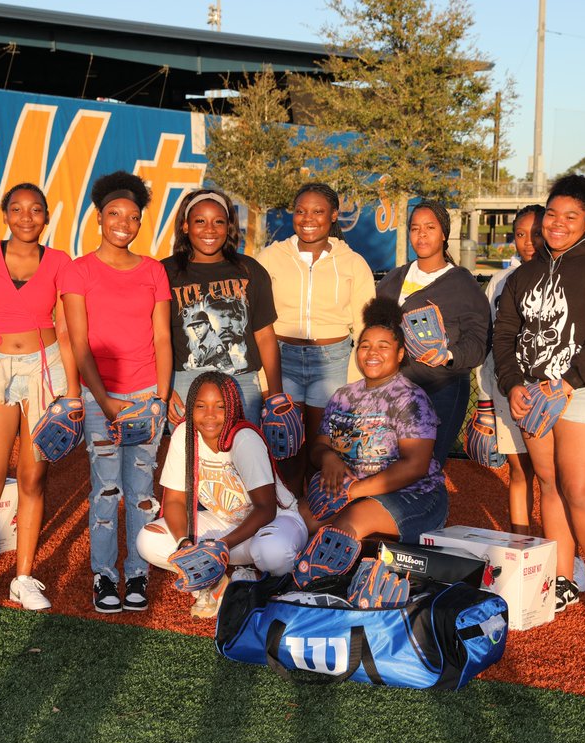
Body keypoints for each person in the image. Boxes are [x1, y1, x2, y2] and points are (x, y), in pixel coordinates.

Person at [493, 175, 585, 621]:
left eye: (570, 216)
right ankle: (562, 577)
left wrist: (570, 381)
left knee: (579, 487)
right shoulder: (527, 272)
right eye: (552, 214)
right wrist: (513, 383)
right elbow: (504, 334)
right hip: (536, 390)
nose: (558, 224)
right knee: (549, 484)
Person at [0, 182, 78, 627]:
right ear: (5, 214)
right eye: (18, 209)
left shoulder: (60, 261)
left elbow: (65, 332)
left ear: (47, 217)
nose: (27, 217)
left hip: (45, 370)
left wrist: (74, 393)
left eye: (37, 210)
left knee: (33, 476)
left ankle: (23, 578)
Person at [62, 171, 172, 614]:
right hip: (99, 397)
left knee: (142, 492)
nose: (123, 223)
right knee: (107, 490)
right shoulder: (78, 270)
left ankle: (138, 572)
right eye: (114, 214)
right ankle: (105, 576)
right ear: (99, 218)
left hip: (147, 394)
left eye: (133, 216)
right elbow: (78, 342)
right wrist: (104, 401)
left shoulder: (153, 270)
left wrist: (161, 400)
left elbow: (162, 339)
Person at [136, 371, 307, 618]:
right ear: (191, 407)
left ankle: (255, 578)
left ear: (233, 408)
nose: (210, 415)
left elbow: (266, 508)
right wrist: (185, 545)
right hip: (224, 526)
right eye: (201, 406)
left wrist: (222, 547)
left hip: (272, 524)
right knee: (148, 540)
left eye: (220, 406)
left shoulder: (244, 439)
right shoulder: (184, 434)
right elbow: (174, 500)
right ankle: (216, 583)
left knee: (273, 552)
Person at [258, 182, 376, 493]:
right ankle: (286, 519)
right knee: (284, 448)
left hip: (332, 363)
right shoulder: (270, 257)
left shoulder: (353, 263)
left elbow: (365, 328)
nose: (308, 218)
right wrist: (264, 373)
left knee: (323, 450)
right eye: (300, 211)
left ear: (333, 215)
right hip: (281, 360)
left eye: (318, 211)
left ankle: (314, 520)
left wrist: (355, 378)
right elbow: (255, 320)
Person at [306, 297, 448, 544]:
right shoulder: (343, 395)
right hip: (353, 492)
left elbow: (415, 466)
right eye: (365, 346)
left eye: (383, 346)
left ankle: (330, 581)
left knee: (341, 529)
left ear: (400, 353)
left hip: (414, 495)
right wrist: (328, 458)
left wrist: (354, 492)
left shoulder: (410, 398)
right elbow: (319, 447)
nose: (372, 353)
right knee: (295, 523)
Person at [376, 200, 492, 467]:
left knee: (428, 467)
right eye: (415, 228)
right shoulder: (393, 279)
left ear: (444, 233)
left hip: (442, 389)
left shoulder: (463, 284)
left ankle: (431, 509)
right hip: (395, 389)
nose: (422, 234)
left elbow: (479, 340)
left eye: (430, 227)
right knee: (389, 464)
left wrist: (449, 355)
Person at [162, 188, 281, 424]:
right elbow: (156, 337)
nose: (210, 229)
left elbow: (265, 335)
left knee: (242, 453)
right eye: (200, 221)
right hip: (185, 380)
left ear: (229, 227)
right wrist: (163, 389)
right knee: (191, 456)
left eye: (218, 221)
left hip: (242, 380)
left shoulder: (250, 270)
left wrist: (276, 393)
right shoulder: (165, 272)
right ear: (185, 226)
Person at [475, 205, 543, 534]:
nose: (528, 242)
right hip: (507, 388)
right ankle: (522, 548)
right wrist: (484, 396)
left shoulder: (562, 275)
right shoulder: (500, 281)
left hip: (548, 390)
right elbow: (489, 341)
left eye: (536, 233)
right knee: (519, 473)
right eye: (520, 234)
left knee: (552, 477)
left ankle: (562, 556)